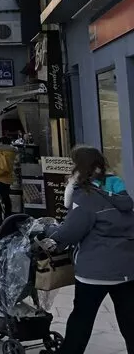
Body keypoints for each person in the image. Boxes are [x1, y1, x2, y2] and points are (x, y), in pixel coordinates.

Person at [41, 146, 134, 353]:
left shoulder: (86, 195)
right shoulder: (118, 192)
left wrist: (50, 233)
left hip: (95, 271)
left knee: (81, 319)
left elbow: (70, 233)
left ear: (80, 167)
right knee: (130, 320)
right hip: (126, 269)